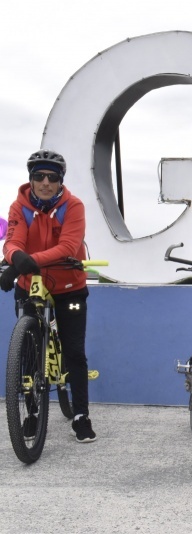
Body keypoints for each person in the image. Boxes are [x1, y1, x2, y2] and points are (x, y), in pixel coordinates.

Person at [0, 149, 96, 443]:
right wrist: (16, 257)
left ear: (60, 181)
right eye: (38, 176)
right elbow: (12, 240)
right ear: (30, 179)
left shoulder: (73, 206)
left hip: (69, 286)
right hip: (30, 284)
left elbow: (69, 246)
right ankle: (32, 412)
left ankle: (80, 416)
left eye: (52, 178)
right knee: (27, 352)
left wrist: (28, 260)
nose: (45, 182)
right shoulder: (20, 206)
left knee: (74, 351)